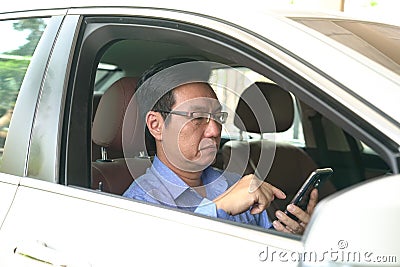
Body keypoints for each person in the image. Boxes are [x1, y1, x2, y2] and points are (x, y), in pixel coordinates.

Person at [123, 58, 318, 235]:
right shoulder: (137, 204)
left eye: (218, 117)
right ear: (156, 126)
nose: (215, 131)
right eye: (198, 117)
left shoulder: (236, 184)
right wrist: (218, 209)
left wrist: (290, 238)